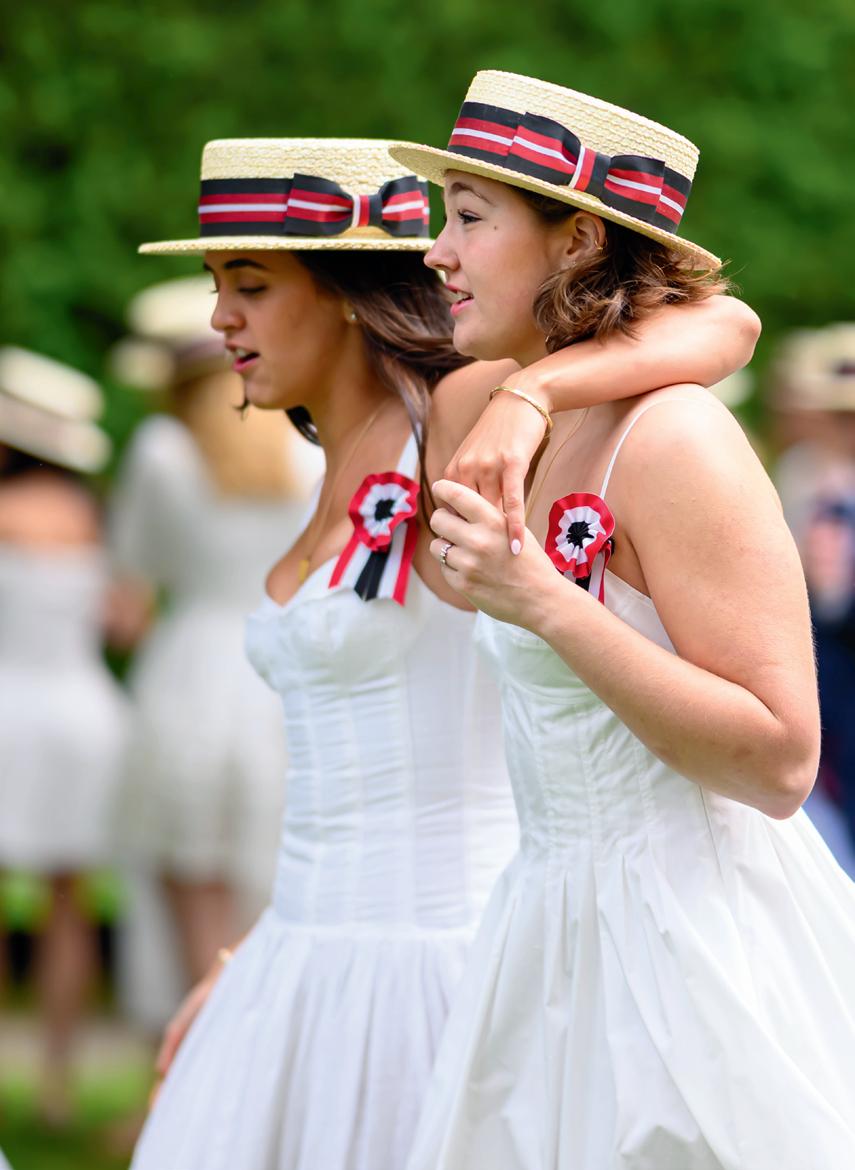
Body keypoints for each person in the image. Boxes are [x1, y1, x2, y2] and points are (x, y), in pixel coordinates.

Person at [129, 136, 757, 1170]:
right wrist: (258, 963)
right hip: (297, 956)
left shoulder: (454, 422)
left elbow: (727, 322)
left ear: (346, 294)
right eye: (215, 287)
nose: (219, 320)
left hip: (440, 966)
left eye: (250, 283)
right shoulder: (313, 471)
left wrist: (528, 397)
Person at [389, 69, 855, 1169]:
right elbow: (728, 323)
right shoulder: (477, 404)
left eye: (468, 218)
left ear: (577, 241)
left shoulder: (678, 440)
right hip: (541, 933)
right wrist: (531, 392)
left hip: (693, 953)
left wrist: (544, 601)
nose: (435, 253)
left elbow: (782, 761)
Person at [109, 276, 323, 1032]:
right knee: (269, 879)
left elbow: (130, 584)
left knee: (190, 874)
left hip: (190, 673)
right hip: (282, 674)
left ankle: (200, 1055)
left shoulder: (161, 449)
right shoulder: (307, 445)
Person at [0, 348, 126, 1125]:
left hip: (8, 711)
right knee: (70, 900)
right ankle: (56, 1082)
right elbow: (125, 619)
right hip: (85, 714)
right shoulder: (96, 514)